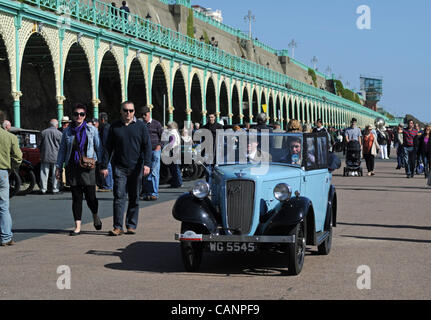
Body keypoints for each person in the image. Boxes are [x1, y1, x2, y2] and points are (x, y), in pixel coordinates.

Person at [100, 101, 151, 236]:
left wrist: (147, 164)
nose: (128, 113)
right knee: (119, 197)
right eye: (125, 110)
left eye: (131, 111)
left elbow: (147, 146)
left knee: (134, 197)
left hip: (136, 167)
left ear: (134, 112)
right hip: (119, 167)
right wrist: (104, 165)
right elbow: (108, 147)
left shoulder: (141, 126)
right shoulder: (114, 127)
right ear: (121, 111)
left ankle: (131, 225)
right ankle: (117, 226)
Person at [55, 104, 103, 236]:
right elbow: (62, 150)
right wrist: (58, 167)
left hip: (88, 167)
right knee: (76, 197)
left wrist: (101, 165)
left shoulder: (91, 130)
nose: (79, 116)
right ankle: (78, 226)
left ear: (85, 116)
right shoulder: (67, 131)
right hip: (73, 166)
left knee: (90, 197)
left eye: (82, 114)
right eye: (76, 114)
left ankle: (95, 215)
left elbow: (98, 147)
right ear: (73, 116)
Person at [0, 110, 22, 246]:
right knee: (3, 206)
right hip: (3, 172)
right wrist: (11, 168)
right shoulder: (9, 137)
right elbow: (18, 157)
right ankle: (6, 237)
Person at [140, 105, 163, 201]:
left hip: (155, 150)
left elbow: (164, 137)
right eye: (142, 115)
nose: (143, 116)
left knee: (154, 172)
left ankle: (154, 193)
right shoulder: (141, 124)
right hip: (145, 151)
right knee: (145, 172)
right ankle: (147, 192)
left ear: (149, 114)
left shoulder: (156, 124)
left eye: (145, 114)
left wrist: (159, 146)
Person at [39, 119, 63, 195]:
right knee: (55, 173)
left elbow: (39, 145)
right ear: (56, 125)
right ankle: (55, 189)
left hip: (45, 156)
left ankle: (43, 189)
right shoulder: (59, 133)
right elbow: (62, 146)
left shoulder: (43, 132)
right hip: (56, 156)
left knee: (44, 173)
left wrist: (42, 152)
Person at [164, 121, 183, 188]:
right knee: (176, 168)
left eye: (168, 126)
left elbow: (171, 143)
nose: (167, 127)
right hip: (177, 151)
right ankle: (179, 182)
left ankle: (176, 183)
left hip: (173, 152)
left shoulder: (172, 133)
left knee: (174, 169)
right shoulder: (176, 132)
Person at [97, 112, 113, 191]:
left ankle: (108, 185)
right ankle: (107, 184)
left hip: (105, 150)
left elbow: (105, 141)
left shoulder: (105, 128)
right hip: (107, 150)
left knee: (107, 165)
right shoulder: (107, 127)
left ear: (102, 120)